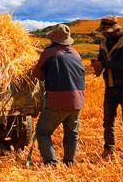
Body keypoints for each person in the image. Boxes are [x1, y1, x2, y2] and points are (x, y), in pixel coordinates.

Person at [31, 24, 86, 167]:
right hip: (78, 100)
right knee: (71, 133)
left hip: (58, 100)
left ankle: (51, 163)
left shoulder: (49, 53)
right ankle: (69, 162)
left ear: (53, 39)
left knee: (42, 132)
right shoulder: (75, 53)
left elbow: (38, 74)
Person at [93, 16, 123, 159]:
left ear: (115, 30)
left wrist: (103, 65)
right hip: (110, 86)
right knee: (108, 120)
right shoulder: (104, 42)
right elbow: (101, 58)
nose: (105, 34)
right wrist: (97, 66)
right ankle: (109, 149)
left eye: (107, 31)